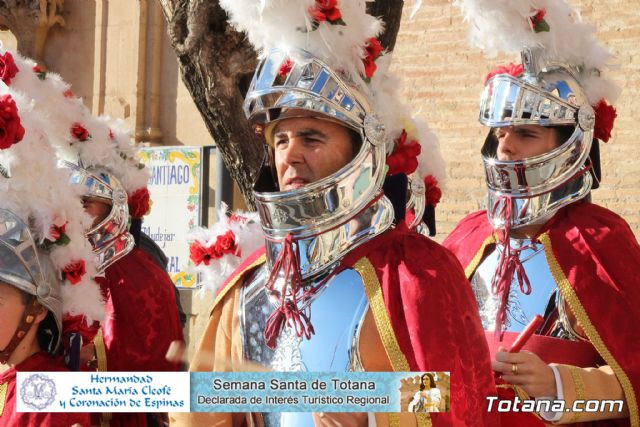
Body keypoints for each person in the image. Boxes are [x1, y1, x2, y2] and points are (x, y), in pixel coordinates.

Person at [171, 1, 497, 426]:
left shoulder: (415, 273)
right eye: (281, 139)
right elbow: (208, 412)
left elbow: (461, 395)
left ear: (359, 148)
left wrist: (376, 415)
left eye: (311, 137)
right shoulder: (248, 283)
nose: (291, 156)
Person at [445, 1, 640, 424]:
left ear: (569, 142)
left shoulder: (600, 240)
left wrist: (560, 385)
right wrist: (355, 404)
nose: (505, 148)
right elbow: (429, 382)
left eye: (526, 133)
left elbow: (636, 386)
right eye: (499, 134)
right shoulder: (466, 239)